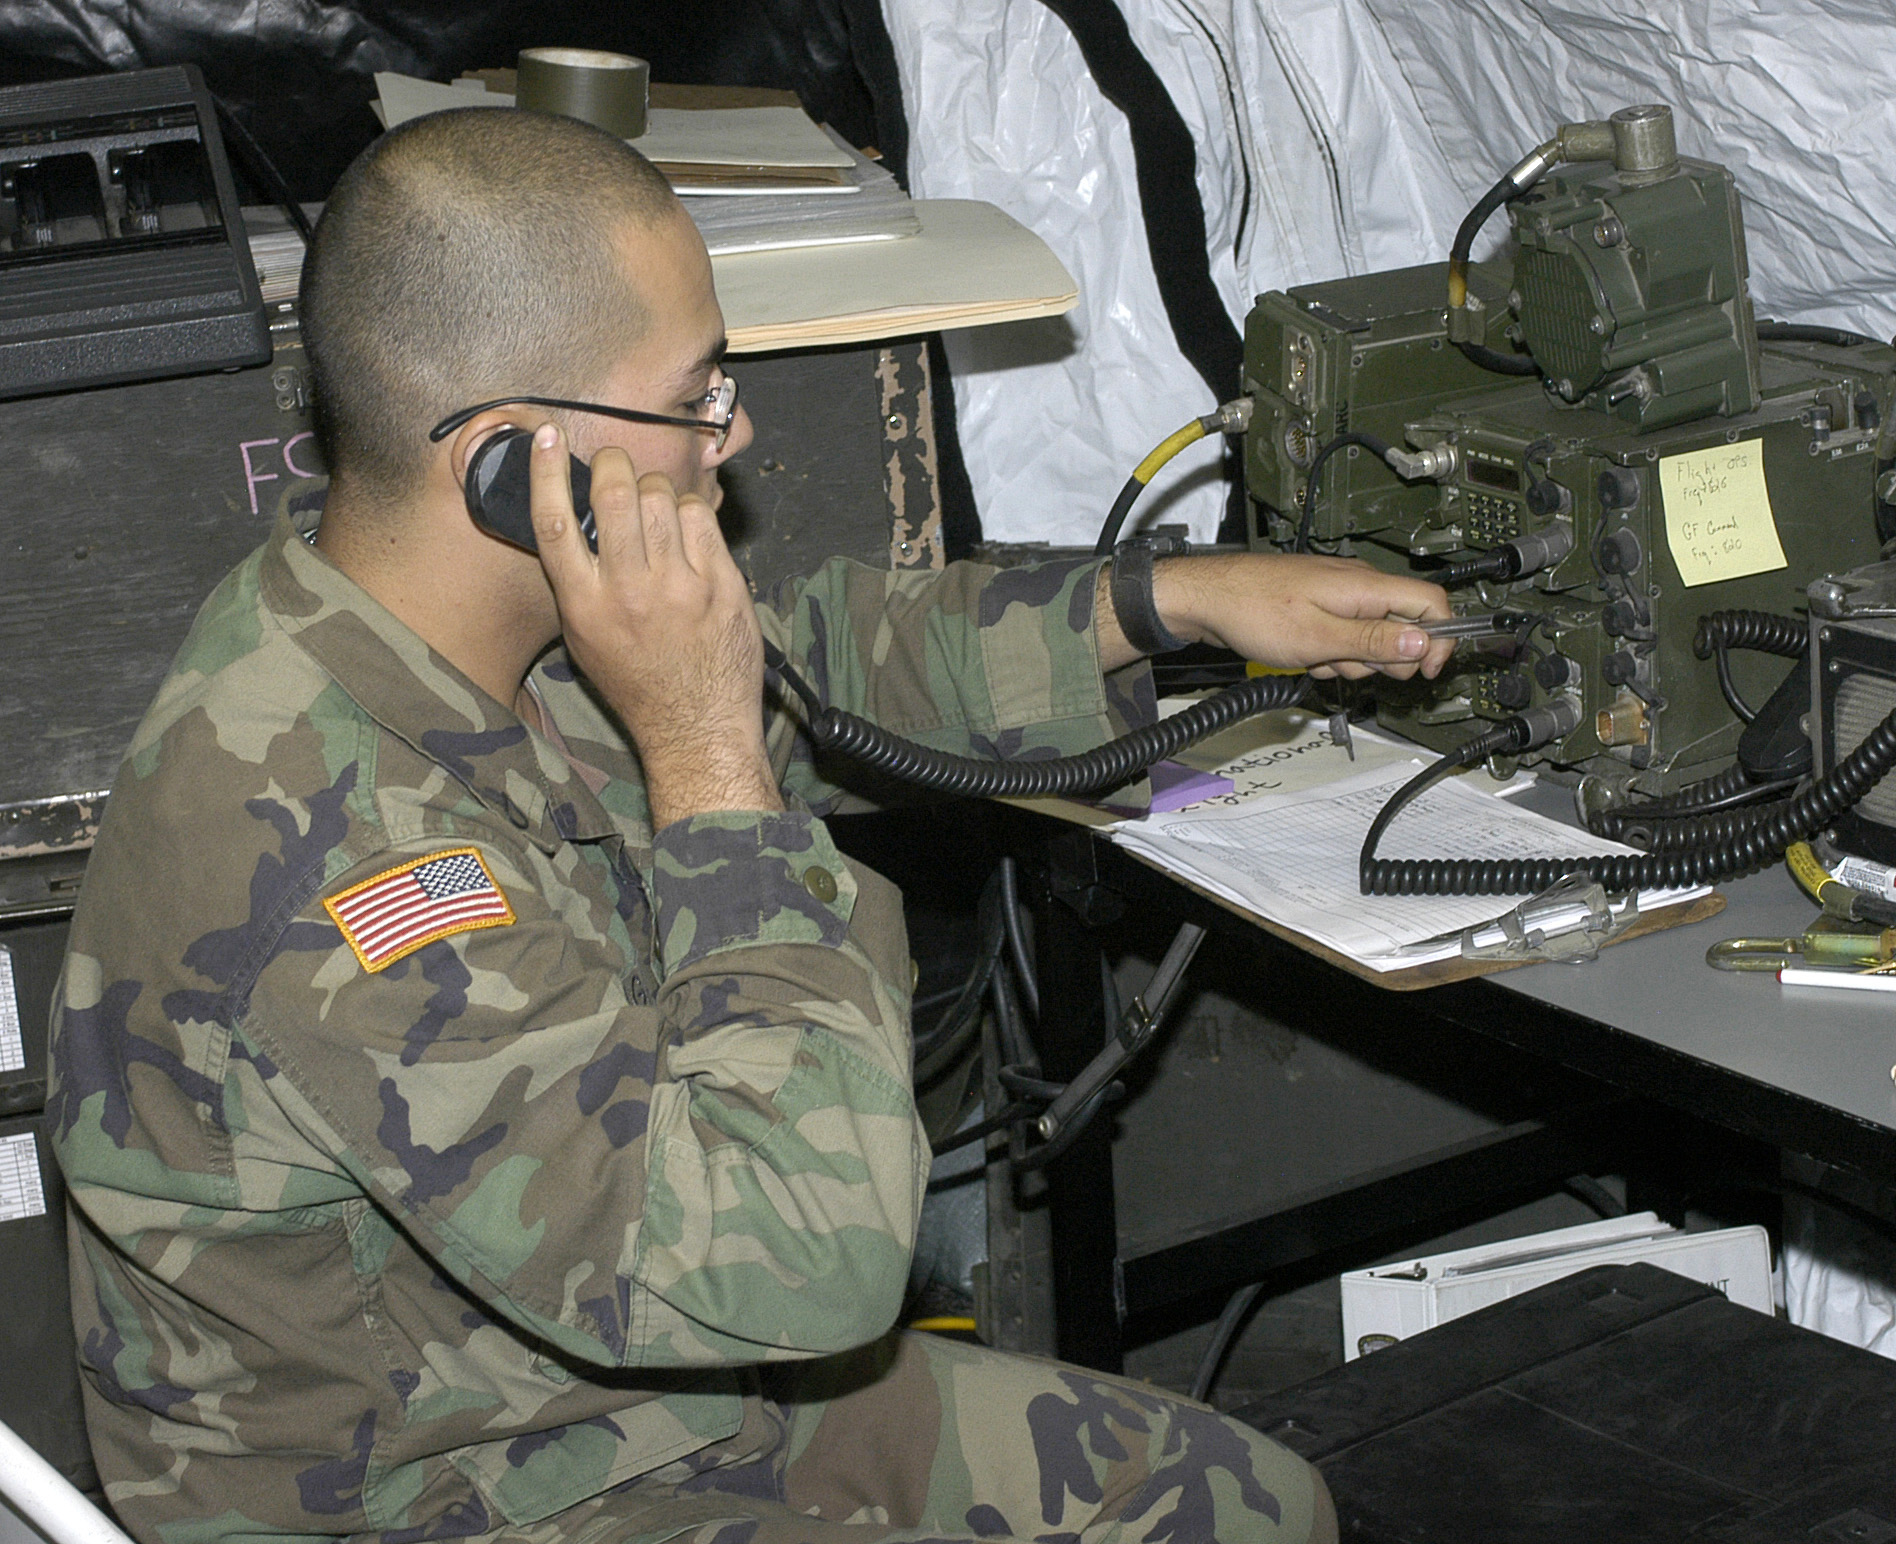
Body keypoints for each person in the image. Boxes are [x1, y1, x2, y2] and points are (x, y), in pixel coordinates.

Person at [47, 107, 1455, 1544]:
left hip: (627, 1386)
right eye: (694, 391)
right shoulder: (329, 851)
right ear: (507, 463)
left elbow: (818, 661)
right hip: (439, 1489)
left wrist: (1166, 600)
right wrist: (704, 752)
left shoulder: (458, 619)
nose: (738, 426)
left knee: (1240, 1507)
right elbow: (800, 1264)